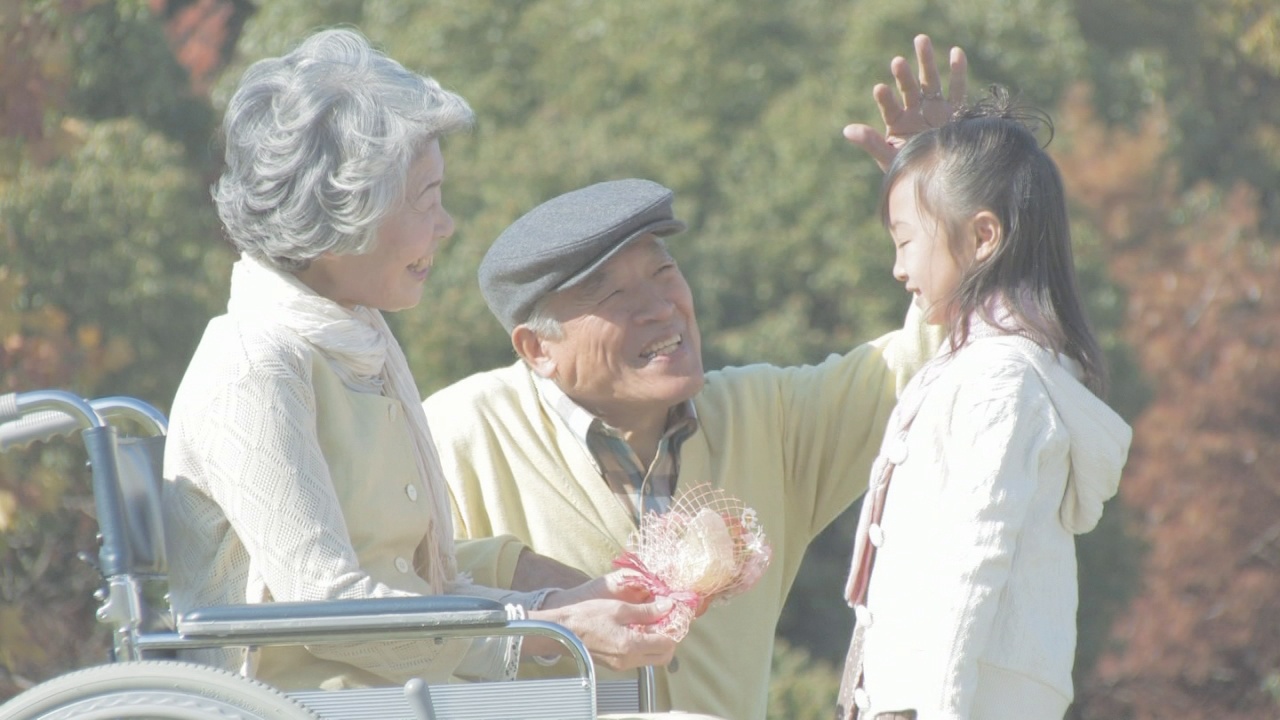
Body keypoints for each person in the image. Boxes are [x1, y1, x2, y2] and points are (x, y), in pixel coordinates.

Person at [161, 28, 725, 720]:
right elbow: (324, 606)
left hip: (409, 699)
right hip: (306, 706)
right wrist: (553, 628)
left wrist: (557, 598)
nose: (447, 224)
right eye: (426, 199)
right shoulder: (255, 363)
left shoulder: (360, 334)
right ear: (349, 210)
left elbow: (427, 576)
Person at [422, 36, 965, 720]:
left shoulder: (769, 416)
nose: (660, 307)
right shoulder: (456, 431)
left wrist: (943, 201)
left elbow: (929, 366)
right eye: (612, 296)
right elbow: (383, 589)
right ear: (536, 349)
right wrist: (517, 573)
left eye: (663, 272)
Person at [834, 89, 1133, 720]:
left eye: (906, 241)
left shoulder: (999, 382)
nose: (896, 268)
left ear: (984, 236)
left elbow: (972, 565)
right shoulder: (977, 368)